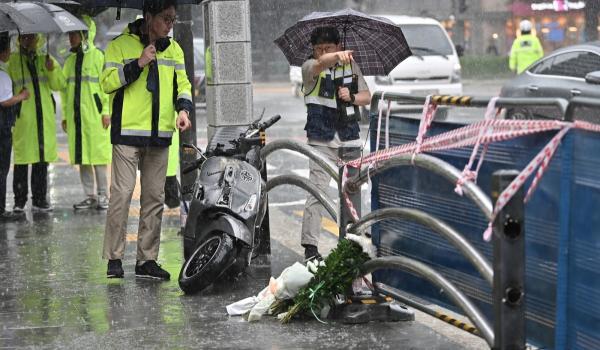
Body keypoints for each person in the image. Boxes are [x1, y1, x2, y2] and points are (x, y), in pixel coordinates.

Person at [101, 0, 192, 280]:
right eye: (166, 19)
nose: (170, 24)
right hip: (127, 134)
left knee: (154, 199)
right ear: (149, 16)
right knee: (122, 195)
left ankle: (146, 261)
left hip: (160, 135)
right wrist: (138, 63)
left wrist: (183, 110)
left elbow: (183, 83)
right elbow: (106, 83)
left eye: (173, 20)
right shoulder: (120, 45)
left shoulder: (174, 49)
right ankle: (114, 259)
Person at [300, 26, 371, 260]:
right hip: (321, 139)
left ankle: (351, 243)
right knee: (316, 192)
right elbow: (321, 64)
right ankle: (310, 248)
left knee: (351, 193)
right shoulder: (310, 67)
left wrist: (350, 97)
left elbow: (367, 96)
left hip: (349, 137)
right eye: (317, 49)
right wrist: (332, 56)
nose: (321, 52)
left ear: (338, 45)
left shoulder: (351, 65)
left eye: (327, 48)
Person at [8, 34, 66, 213]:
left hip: (44, 118)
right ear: (19, 39)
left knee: (42, 160)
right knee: (23, 159)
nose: (28, 40)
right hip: (24, 118)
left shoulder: (46, 59)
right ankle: (20, 201)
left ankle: (40, 200)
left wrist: (52, 69)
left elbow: (59, 84)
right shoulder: (13, 61)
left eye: (32, 37)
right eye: (24, 37)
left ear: (38, 39)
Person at [61, 16, 112, 211]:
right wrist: (66, 116)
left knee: (98, 157)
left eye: (74, 34)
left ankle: (103, 196)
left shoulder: (98, 56)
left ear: (84, 34)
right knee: (82, 157)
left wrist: (106, 111)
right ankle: (90, 196)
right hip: (77, 118)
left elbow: (106, 87)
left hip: (95, 115)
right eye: (70, 34)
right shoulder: (70, 60)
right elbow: (65, 90)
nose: (70, 38)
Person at [0, 33, 30, 222]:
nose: (10, 52)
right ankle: (1, 209)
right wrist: (22, 96)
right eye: (8, 48)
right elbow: (4, 101)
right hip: (2, 128)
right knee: (2, 169)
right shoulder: (2, 74)